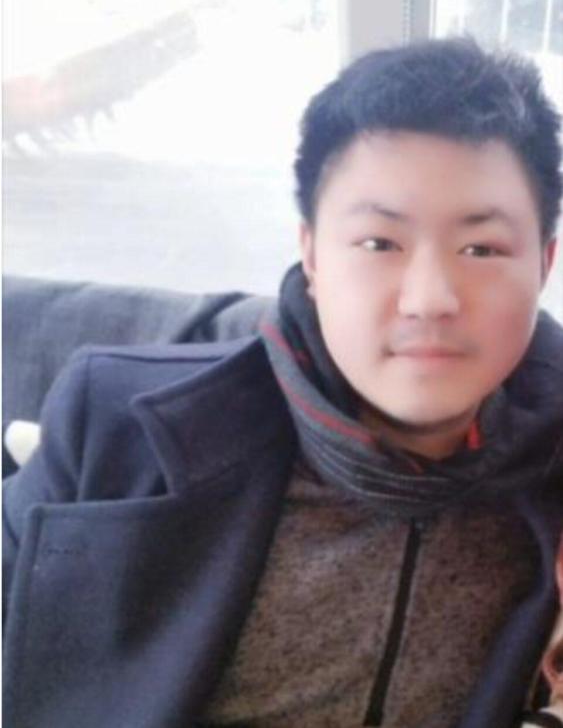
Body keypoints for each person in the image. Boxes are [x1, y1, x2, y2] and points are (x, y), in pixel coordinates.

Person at [3, 37, 562, 728]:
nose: (428, 299)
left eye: (481, 248)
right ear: (312, 255)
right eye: (378, 243)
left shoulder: (550, 462)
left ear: (543, 264)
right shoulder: (116, 427)